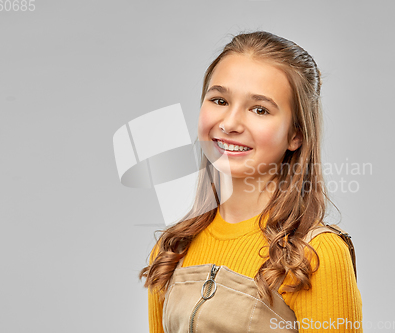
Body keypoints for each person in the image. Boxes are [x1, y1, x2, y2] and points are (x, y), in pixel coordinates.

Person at [139, 30, 363, 332]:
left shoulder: (315, 255)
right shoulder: (172, 249)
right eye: (219, 100)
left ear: (295, 135)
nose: (230, 123)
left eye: (260, 109)